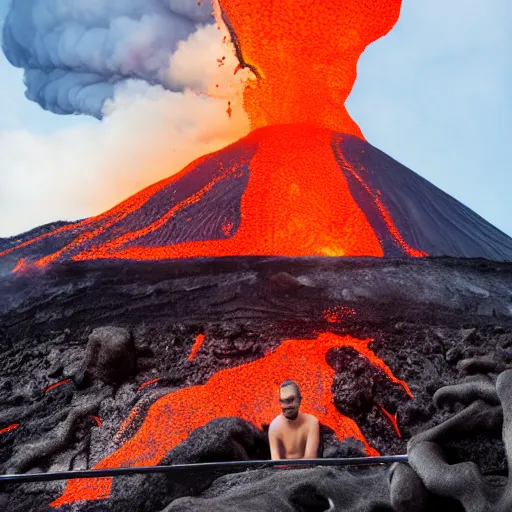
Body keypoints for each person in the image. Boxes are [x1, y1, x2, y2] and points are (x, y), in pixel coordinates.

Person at [268, 380, 321, 460]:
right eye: (283, 401)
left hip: (308, 471)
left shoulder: (311, 422)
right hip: (283, 471)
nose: (287, 405)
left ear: (299, 400)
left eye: (291, 400)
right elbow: (276, 462)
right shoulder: (274, 427)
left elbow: (310, 459)